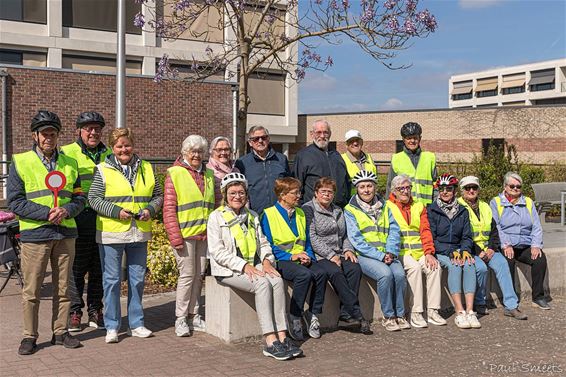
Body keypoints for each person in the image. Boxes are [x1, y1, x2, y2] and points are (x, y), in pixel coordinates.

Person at [8, 110, 85, 355]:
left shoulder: (70, 163)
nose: (48, 137)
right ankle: (29, 336)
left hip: (65, 234)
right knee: (31, 290)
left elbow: (80, 198)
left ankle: (60, 333)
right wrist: (46, 213)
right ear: (35, 135)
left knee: (64, 288)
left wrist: (67, 210)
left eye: (52, 132)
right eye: (44, 133)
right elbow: (15, 201)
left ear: (58, 135)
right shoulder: (20, 162)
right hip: (36, 235)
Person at [208, 173, 303, 360]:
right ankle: (270, 341)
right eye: (233, 193)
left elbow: (263, 242)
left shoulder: (252, 216)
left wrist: (267, 261)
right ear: (225, 195)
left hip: (253, 265)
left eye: (241, 193)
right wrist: (244, 266)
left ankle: (283, 336)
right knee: (262, 284)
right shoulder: (216, 217)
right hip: (228, 270)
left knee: (276, 279)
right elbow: (217, 252)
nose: (237, 197)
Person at [89, 128, 163, 343]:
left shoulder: (147, 168)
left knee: (137, 280)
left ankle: (136, 324)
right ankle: (112, 326)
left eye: (127, 145)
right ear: (113, 148)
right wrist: (116, 212)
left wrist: (150, 209)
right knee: (111, 281)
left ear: (133, 145)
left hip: (139, 232)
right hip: (112, 233)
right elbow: (93, 198)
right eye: (119, 146)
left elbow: (158, 195)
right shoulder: (102, 169)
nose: (124, 149)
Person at [61, 111, 111, 332]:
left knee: (99, 268)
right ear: (79, 131)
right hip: (79, 217)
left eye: (97, 129)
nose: (93, 132)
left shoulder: (110, 154)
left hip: (103, 218)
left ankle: (95, 309)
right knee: (77, 268)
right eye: (88, 128)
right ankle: (74, 311)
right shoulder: (66, 152)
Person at [302, 177, 371, 335]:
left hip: (340, 252)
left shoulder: (338, 210)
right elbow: (312, 237)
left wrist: (348, 250)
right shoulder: (308, 209)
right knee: (335, 272)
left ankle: (345, 314)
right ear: (316, 193)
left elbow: (345, 235)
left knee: (354, 269)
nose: (326, 194)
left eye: (330, 192)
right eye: (323, 191)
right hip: (321, 256)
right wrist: (331, 255)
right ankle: (356, 313)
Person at [261, 177, 328, 341]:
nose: (299, 195)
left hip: (301, 257)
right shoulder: (268, 214)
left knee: (321, 272)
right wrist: (291, 256)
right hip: (281, 259)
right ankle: (294, 316)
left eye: (299, 192)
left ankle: (312, 313)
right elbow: (268, 245)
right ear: (283, 195)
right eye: (295, 193)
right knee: (303, 275)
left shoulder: (300, 213)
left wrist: (309, 256)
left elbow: (307, 241)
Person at [344, 170, 408, 332]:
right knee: (385, 275)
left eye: (369, 186)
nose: (366, 190)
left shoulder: (385, 206)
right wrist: (380, 256)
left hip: (387, 253)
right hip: (366, 255)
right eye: (362, 187)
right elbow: (356, 239)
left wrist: (391, 251)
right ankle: (389, 316)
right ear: (357, 189)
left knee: (400, 275)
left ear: (374, 187)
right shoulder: (350, 210)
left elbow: (394, 229)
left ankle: (400, 314)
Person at [163, 135, 214, 336]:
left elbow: (217, 204)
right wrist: (175, 237)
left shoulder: (209, 174)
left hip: (204, 234)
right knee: (186, 276)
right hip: (184, 235)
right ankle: (181, 318)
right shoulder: (174, 173)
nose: (196, 155)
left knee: (198, 276)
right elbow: (169, 209)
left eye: (200, 151)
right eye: (192, 151)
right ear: (185, 153)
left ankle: (195, 315)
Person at [458, 176, 528, 320]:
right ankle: (480, 302)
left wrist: (491, 248)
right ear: (462, 190)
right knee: (481, 268)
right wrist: (479, 251)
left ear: (478, 189)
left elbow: (494, 230)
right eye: (467, 188)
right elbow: (461, 235)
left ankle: (511, 305)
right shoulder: (458, 207)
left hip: (488, 248)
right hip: (470, 250)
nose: (471, 190)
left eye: (474, 187)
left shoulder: (484, 206)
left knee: (502, 264)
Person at [386, 174, 446, 328]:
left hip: (420, 251)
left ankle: (433, 311)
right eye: (401, 189)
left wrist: (428, 253)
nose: (405, 191)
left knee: (435, 267)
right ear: (394, 191)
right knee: (414, 269)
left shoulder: (419, 206)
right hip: (401, 252)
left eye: (408, 187)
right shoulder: (387, 206)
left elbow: (425, 230)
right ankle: (416, 312)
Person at [491, 172, 550, 310]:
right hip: (506, 244)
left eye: (518, 186)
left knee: (540, 259)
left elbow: (536, 225)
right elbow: (496, 226)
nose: (516, 188)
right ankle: (511, 299)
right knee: (508, 261)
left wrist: (536, 245)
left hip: (525, 244)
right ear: (505, 187)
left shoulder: (528, 202)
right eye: (512, 186)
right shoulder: (496, 202)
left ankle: (538, 297)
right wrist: (506, 244)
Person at [427, 174, 480, 329]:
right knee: (455, 266)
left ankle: (470, 311)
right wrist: (451, 252)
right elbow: (433, 239)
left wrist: (465, 250)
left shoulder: (462, 211)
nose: (444, 192)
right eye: (441, 189)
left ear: (454, 191)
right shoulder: (432, 210)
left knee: (470, 264)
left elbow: (467, 236)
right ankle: (459, 312)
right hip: (441, 251)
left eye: (448, 189)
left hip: (458, 249)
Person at [293, 120, 350, 208]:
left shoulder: (336, 155)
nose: (322, 136)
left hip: (337, 209)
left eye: (325, 132)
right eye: (318, 132)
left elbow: (346, 183)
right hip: (313, 211)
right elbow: (296, 185)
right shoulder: (303, 156)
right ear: (312, 134)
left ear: (330, 134)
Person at [235, 126, 290, 215]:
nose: (260, 141)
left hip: (280, 212)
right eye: (256, 139)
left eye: (263, 138)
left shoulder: (281, 159)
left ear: (268, 139)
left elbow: (289, 185)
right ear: (250, 142)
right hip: (255, 214)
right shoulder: (242, 163)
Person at [387, 122, 437, 205]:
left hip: (427, 208)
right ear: (403, 140)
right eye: (409, 138)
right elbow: (390, 187)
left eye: (415, 138)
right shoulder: (396, 158)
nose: (412, 141)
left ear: (420, 138)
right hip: (406, 208)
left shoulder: (430, 158)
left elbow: (436, 185)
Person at [341, 130, 377, 196]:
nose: (355, 143)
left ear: (362, 142)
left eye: (357, 140)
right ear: (346, 145)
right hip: (351, 201)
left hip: (370, 200)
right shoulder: (341, 159)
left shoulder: (369, 157)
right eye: (351, 141)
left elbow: (375, 181)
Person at [206, 136, 239, 208]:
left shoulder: (236, 171)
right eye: (219, 150)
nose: (223, 153)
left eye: (226, 149)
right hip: (215, 215)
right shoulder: (207, 170)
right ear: (212, 151)